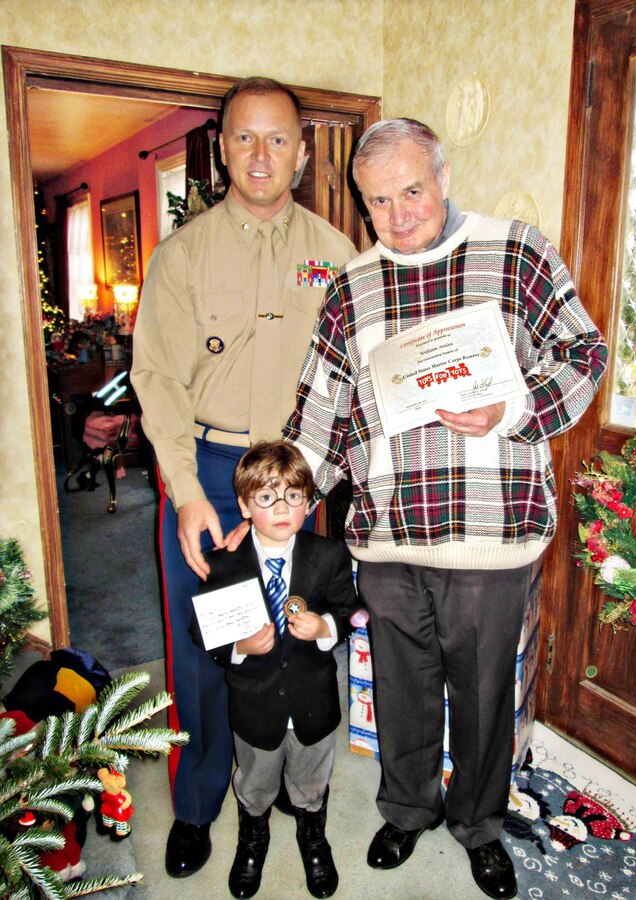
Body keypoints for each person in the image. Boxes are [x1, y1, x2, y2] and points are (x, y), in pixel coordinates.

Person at [279, 119, 608, 898]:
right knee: (400, 688)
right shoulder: (350, 286)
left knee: (486, 694)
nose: (396, 216)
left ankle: (479, 824)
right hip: (388, 537)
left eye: (412, 192)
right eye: (377, 201)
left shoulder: (515, 251)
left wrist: (513, 408)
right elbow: (321, 411)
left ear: (445, 175)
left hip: (493, 534)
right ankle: (405, 809)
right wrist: (279, 504)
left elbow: (583, 351)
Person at [130, 77, 356, 878]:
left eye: (277, 139)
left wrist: (314, 484)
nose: (260, 155)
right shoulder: (183, 254)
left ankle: (299, 791)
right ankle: (198, 805)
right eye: (243, 137)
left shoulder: (335, 256)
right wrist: (190, 495)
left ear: (301, 152)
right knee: (208, 643)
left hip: (297, 474)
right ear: (222, 146)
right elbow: (155, 377)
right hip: (210, 467)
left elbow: (351, 377)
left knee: (292, 631)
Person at [191, 441, 357, 899]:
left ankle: (313, 836)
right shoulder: (225, 564)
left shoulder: (328, 555)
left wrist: (325, 626)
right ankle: (252, 838)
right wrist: (240, 646)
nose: (281, 508)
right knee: (256, 780)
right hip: (255, 702)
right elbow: (201, 630)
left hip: (312, 699)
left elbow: (350, 610)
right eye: (266, 497)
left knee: (311, 779)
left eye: (293, 496)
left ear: (308, 503)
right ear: (245, 504)